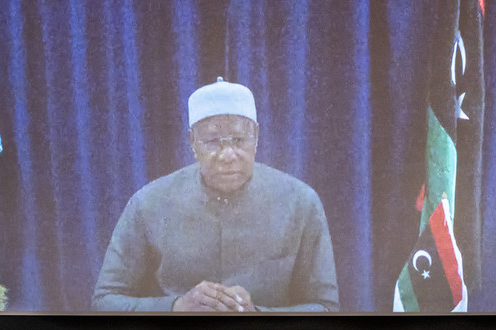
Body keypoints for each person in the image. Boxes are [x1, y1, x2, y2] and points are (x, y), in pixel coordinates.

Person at [92, 77, 339, 312]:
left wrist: (258, 315)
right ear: (192, 142)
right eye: (212, 141)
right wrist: (176, 307)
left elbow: (326, 308)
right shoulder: (148, 204)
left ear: (257, 137)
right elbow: (104, 302)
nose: (228, 155)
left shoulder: (300, 203)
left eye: (239, 139)